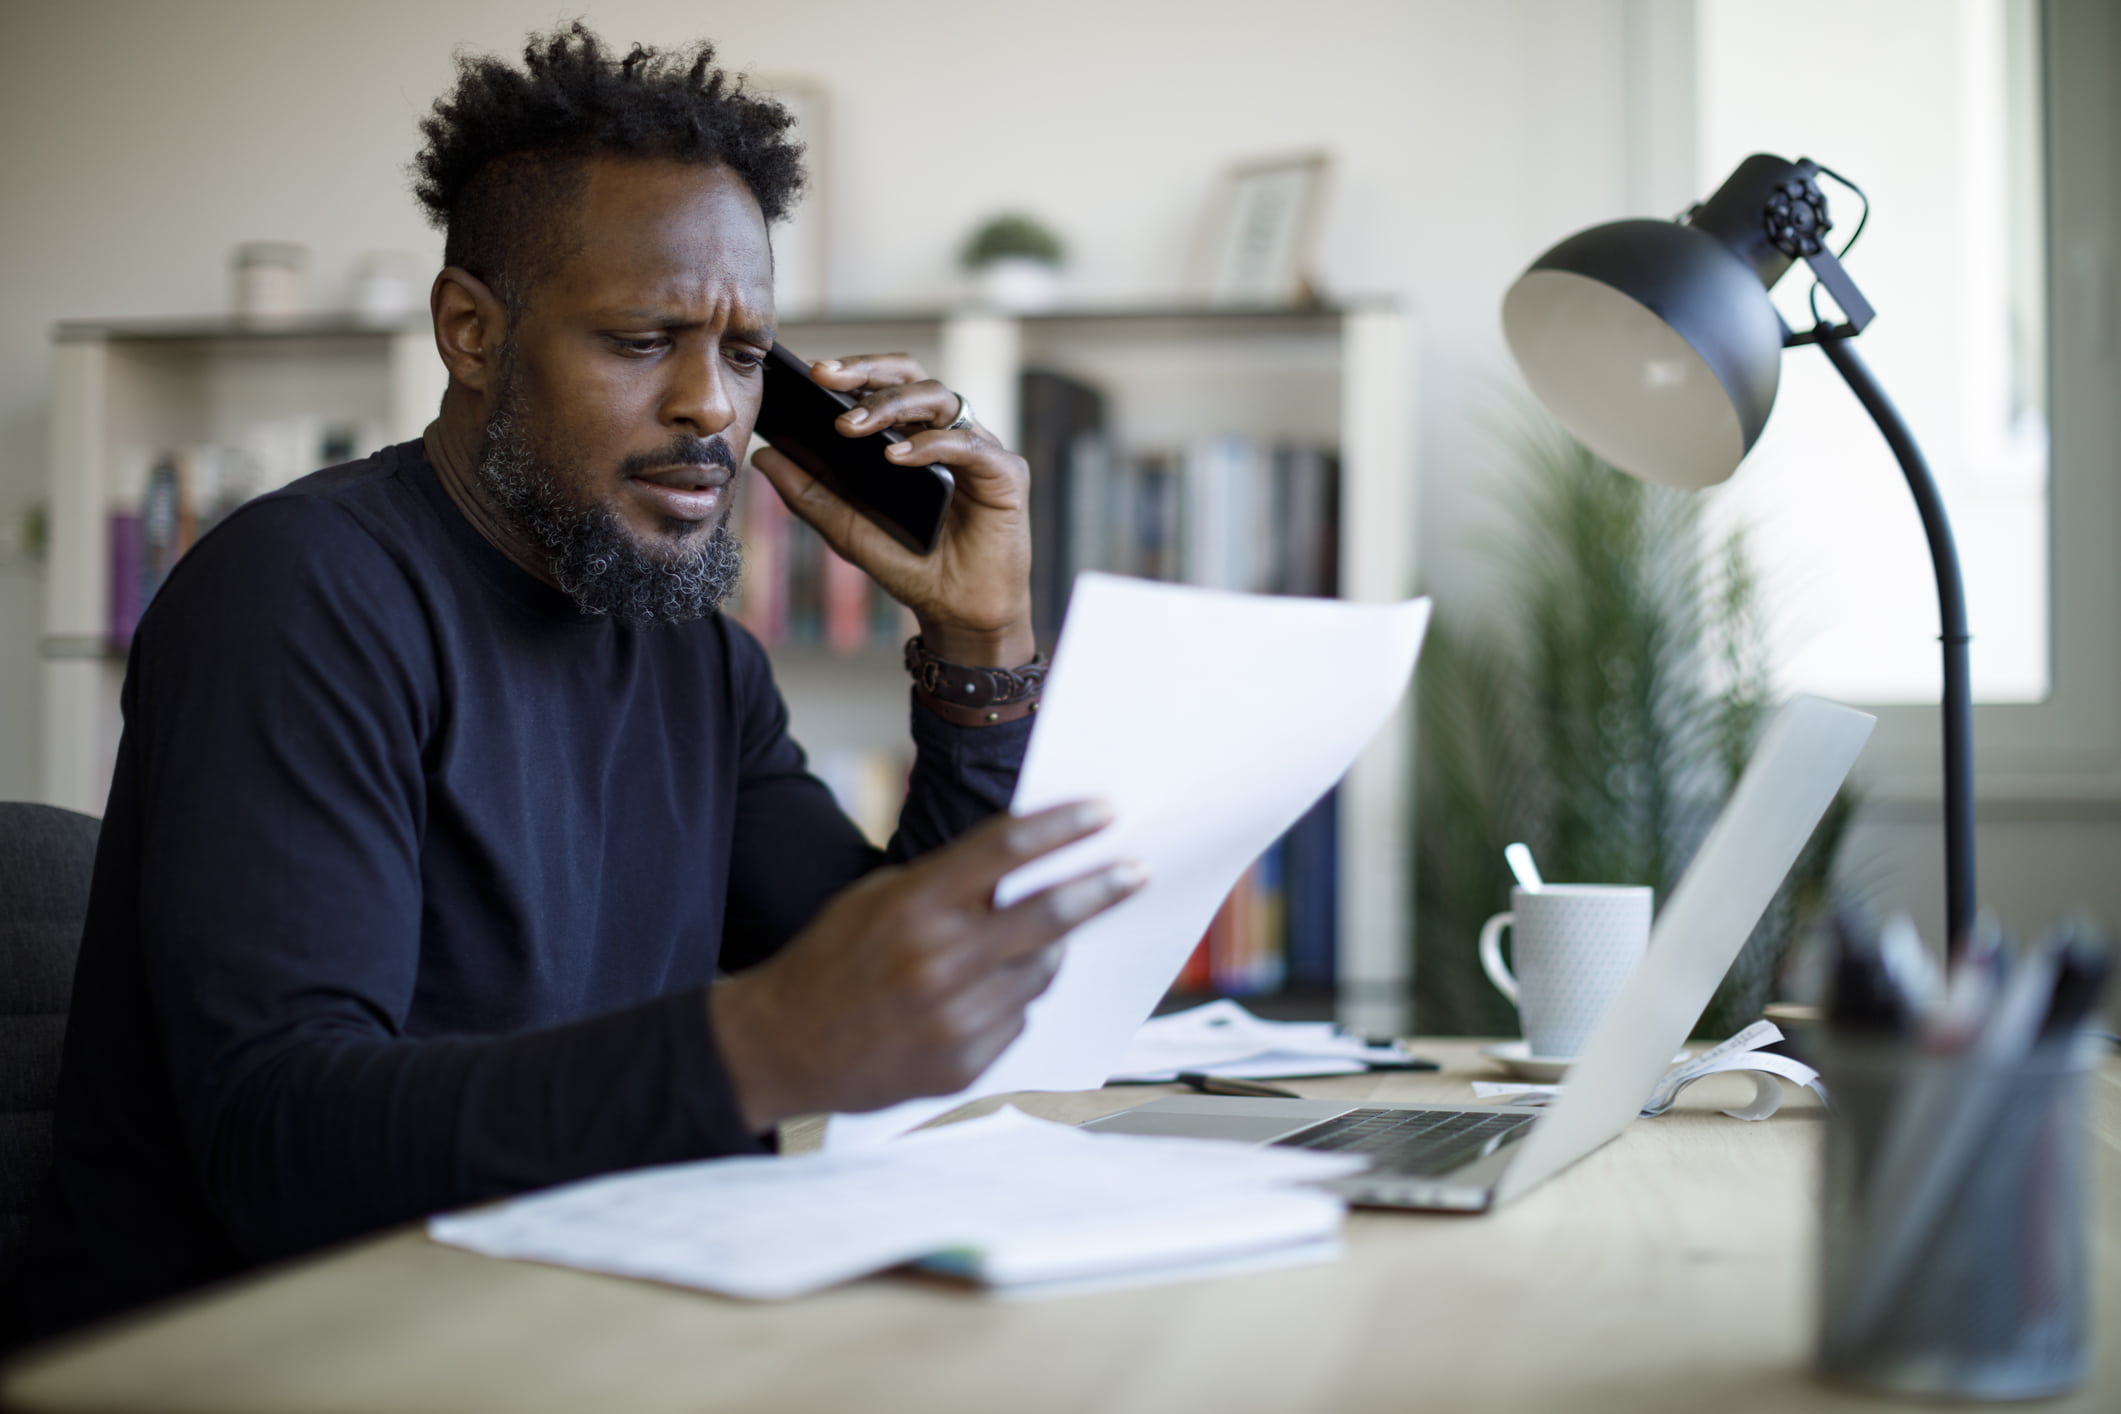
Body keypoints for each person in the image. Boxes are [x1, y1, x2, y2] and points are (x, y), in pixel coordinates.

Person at [9, 25, 1141, 1344]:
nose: (709, 407)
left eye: (739, 351)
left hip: (570, 1320)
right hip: (272, 1356)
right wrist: (753, 1045)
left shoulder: (694, 655)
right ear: (471, 332)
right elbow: (280, 1141)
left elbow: (903, 993)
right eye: (642, 337)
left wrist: (978, 640)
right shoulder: (300, 597)